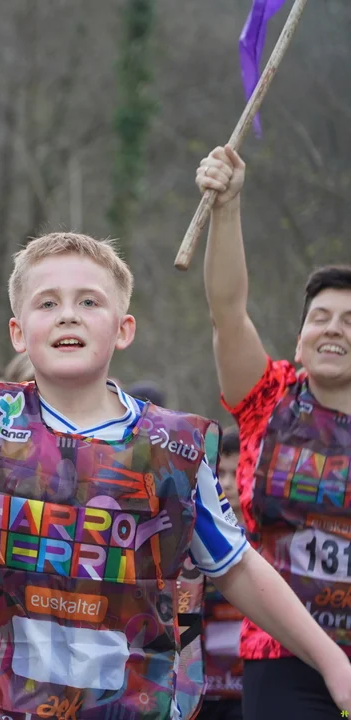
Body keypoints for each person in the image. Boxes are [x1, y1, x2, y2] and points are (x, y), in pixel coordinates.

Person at [0, 230, 351, 718]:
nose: (68, 314)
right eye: (47, 302)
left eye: (89, 301)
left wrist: (333, 662)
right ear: (17, 332)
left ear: (123, 329)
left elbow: (238, 567)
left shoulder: (176, 446)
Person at [197, 145, 351, 719]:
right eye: (321, 317)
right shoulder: (270, 397)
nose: (334, 329)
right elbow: (227, 311)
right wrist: (227, 208)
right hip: (280, 653)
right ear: (300, 339)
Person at [197, 429, 245, 720]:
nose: (227, 483)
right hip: (199, 687)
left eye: (236, 474)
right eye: (220, 474)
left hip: (248, 686)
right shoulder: (192, 532)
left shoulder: (271, 539)